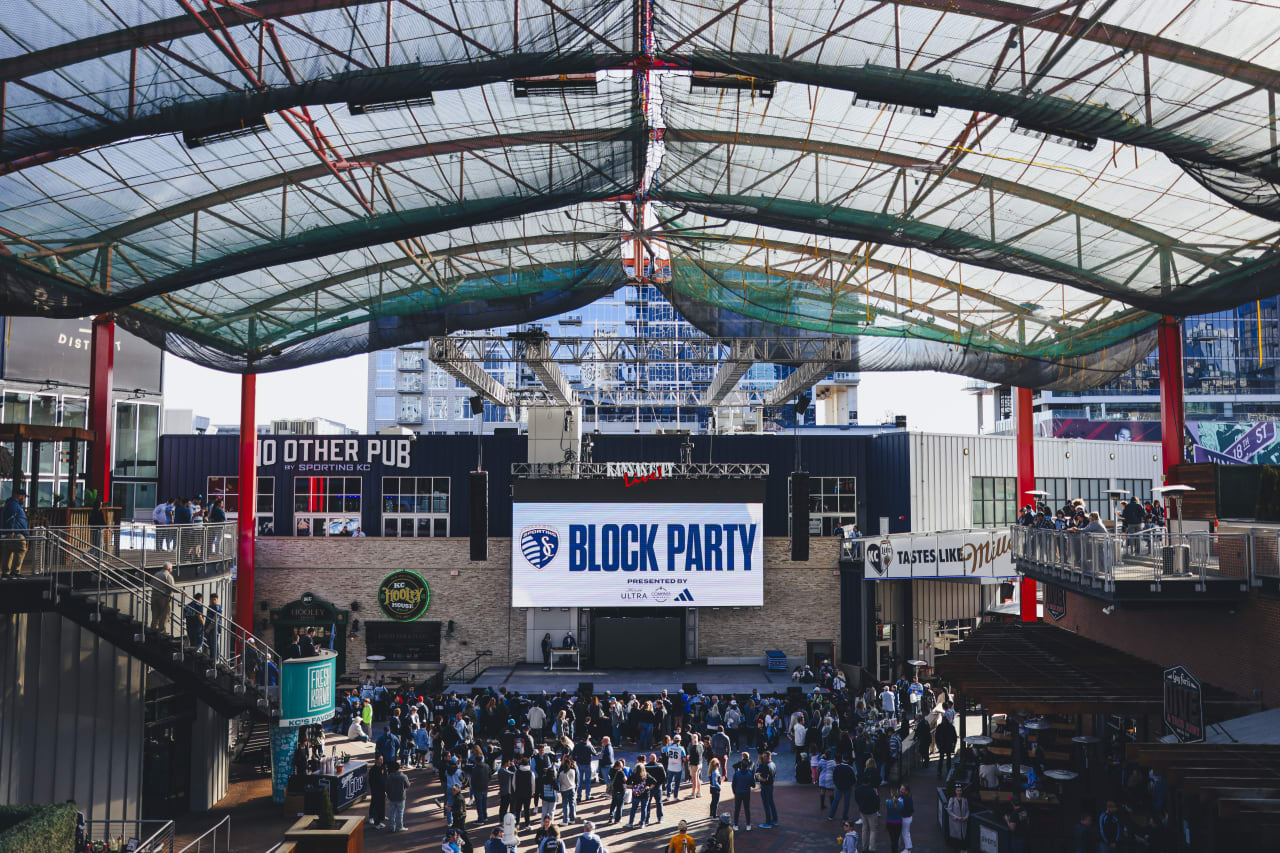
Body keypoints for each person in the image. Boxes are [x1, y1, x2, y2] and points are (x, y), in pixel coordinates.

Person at [1, 488, 28, 578]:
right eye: (24, 497)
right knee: (21, 549)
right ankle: (15, 571)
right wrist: (11, 530)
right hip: (16, 533)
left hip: (12, 532)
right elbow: (11, 518)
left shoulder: (10, 504)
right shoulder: (14, 505)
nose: (24, 499)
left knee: (8, 551)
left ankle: (6, 573)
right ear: (20, 496)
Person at [853, 774, 879, 852]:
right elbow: (876, 802)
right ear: (869, 782)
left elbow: (856, 799)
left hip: (863, 811)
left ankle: (864, 847)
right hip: (872, 812)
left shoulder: (858, 789)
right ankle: (872, 848)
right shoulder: (872, 791)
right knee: (873, 830)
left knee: (864, 829)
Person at [149, 562, 176, 632]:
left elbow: (151, 583)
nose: (172, 570)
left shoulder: (156, 574)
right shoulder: (168, 575)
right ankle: (161, 631)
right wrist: (182, 591)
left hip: (154, 597)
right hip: (163, 598)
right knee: (165, 615)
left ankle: (153, 629)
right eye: (171, 568)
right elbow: (172, 587)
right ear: (169, 569)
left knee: (155, 615)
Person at [385, 759, 410, 832]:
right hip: (401, 797)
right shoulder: (403, 776)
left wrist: (389, 794)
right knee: (400, 812)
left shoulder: (389, 777)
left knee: (392, 812)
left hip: (392, 797)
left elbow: (386, 787)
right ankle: (400, 827)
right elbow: (408, 785)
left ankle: (392, 826)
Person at [755, 749, 778, 828]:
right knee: (771, 803)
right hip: (771, 786)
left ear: (768, 757)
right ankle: (775, 820)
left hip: (765, 786)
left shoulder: (766, 766)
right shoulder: (773, 764)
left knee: (766, 805)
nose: (763, 758)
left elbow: (764, 779)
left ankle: (768, 822)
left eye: (764, 757)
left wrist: (758, 776)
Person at [730, 754, 754, 831]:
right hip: (746, 793)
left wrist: (734, 792)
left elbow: (733, 784)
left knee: (737, 809)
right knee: (747, 809)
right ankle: (748, 825)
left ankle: (736, 825)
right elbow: (753, 785)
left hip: (738, 793)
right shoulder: (750, 774)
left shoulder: (736, 774)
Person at [572, 735, 597, 802]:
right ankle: (587, 795)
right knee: (588, 780)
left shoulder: (577, 745)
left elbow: (573, 755)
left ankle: (579, 796)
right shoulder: (589, 745)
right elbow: (595, 753)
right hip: (587, 764)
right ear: (587, 739)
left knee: (579, 781)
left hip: (579, 763)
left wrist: (576, 759)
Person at [946, 785, 970, 850]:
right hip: (955, 822)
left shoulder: (965, 800)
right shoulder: (952, 799)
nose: (959, 792)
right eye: (958, 791)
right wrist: (956, 817)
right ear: (955, 791)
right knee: (956, 838)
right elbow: (949, 810)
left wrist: (966, 817)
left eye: (960, 791)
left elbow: (967, 810)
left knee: (963, 836)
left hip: (963, 821)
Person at [934, 713, 957, 779]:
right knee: (948, 759)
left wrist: (937, 744)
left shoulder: (940, 726)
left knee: (941, 759)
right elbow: (954, 737)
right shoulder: (951, 727)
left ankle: (939, 772)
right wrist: (953, 746)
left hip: (942, 745)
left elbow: (936, 736)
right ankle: (948, 771)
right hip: (948, 745)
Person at [626, 763, 650, 828]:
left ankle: (631, 823)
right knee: (643, 809)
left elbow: (627, 782)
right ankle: (642, 823)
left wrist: (633, 786)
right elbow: (654, 781)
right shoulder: (646, 775)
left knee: (633, 809)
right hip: (645, 794)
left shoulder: (634, 774)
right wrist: (648, 788)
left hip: (636, 794)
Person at [367, 753, 387, 828]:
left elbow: (385, 777)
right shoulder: (373, 770)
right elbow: (371, 781)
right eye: (380, 759)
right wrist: (374, 790)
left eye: (382, 759)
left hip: (382, 790)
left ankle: (381, 817)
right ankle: (372, 817)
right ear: (376, 760)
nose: (382, 761)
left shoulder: (383, 767)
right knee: (374, 804)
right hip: (376, 790)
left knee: (381, 805)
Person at [556, 756, 577, 824]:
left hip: (564, 790)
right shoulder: (573, 771)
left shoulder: (561, 774)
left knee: (565, 805)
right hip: (572, 788)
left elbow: (560, 782)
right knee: (572, 804)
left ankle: (565, 820)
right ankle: (572, 819)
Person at [606, 759, 627, 824]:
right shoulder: (620, 772)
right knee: (620, 805)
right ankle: (617, 819)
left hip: (614, 789)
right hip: (621, 789)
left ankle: (611, 815)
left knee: (613, 803)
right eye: (621, 766)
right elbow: (625, 780)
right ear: (618, 766)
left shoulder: (611, 770)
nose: (622, 767)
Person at [899, 784, 914, 853]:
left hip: (906, 818)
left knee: (905, 833)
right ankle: (908, 848)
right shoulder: (905, 797)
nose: (900, 790)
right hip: (906, 817)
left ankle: (908, 849)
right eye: (900, 788)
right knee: (905, 833)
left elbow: (908, 810)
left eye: (902, 789)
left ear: (906, 791)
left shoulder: (906, 799)